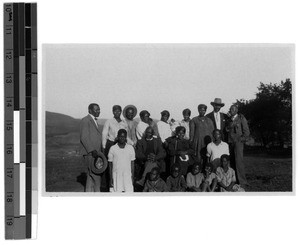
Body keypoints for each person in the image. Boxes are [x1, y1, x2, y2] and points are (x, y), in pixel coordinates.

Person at [102, 105, 128, 191]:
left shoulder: (124, 122)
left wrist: (133, 144)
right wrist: (104, 146)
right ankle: (109, 185)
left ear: (121, 112)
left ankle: (120, 186)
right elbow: (104, 134)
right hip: (111, 144)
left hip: (122, 145)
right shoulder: (109, 121)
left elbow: (126, 136)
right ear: (112, 112)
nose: (117, 112)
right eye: (115, 111)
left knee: (120, 165)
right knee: (110, 165)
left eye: (118, 111)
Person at [79, 103, 102, 192]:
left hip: (94, 152)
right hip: (91, 153)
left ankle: (88, 194)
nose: (98, 111)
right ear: (90, 110)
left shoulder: (94, 121)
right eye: (96, 110)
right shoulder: (85, 120)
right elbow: (84, 137)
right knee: (96, 176)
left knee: (90, 176)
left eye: (99, 109)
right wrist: (92, 150)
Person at [226, 104, 250, 188]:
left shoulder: (241, 119)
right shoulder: (229, 119)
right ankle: (234, 180)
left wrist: (240, 140)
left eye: (232, 109)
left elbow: (246, 133)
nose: (231, 110)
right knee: (232, 162)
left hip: (238, 143)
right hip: (230, 143)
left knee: (239, 162)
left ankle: (242, 182)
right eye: (230, 109)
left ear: (236, 110)